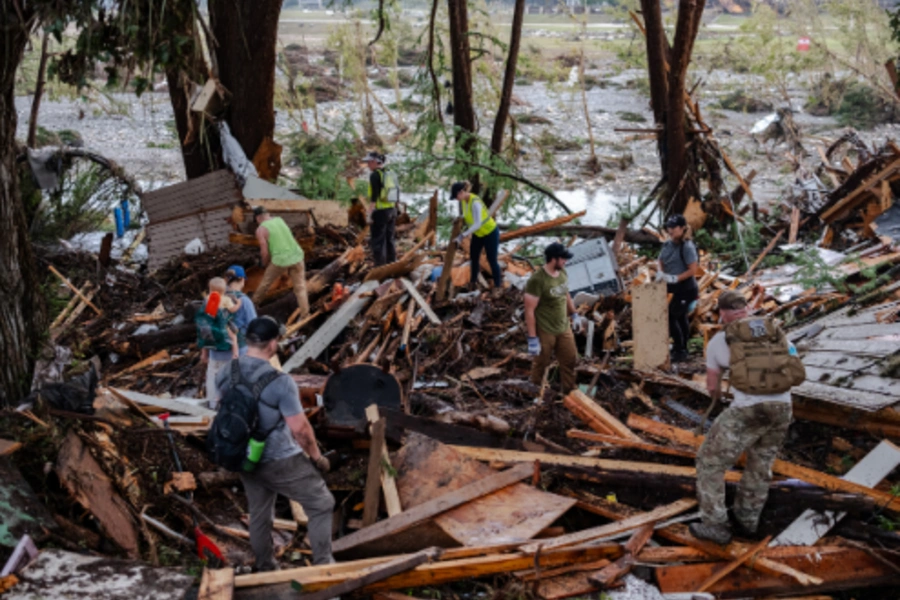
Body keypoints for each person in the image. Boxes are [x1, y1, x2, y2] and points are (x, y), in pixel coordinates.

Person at [217, 316, 335, 570]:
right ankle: (325, 566)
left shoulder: (227, 371)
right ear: (272, 344)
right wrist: (317, 457)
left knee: (260, 513)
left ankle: (266, 567)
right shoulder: (281, 382)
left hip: (244, 456)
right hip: (279, 458)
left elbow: (221, 407)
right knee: (322, 504)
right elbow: (301, 429)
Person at [690, 290, 803, 545]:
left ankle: (716, 524)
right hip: (783, 408)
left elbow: (712, 387)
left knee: (709, 462)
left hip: (748, 409)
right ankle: (747, 521)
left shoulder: (722, 339)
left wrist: (723, 393)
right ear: (748, 309)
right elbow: (794, 363)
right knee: (760, 464)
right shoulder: (775, 331)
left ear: (722, 314)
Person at [524, 242, 586, 393]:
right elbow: (529, 310)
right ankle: (534, 392)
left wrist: (574, 314)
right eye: (563, 258)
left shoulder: (562, 272)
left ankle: (569, 393)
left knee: (570, 360)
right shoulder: (537, 280)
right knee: (541, 362)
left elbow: (566, 295)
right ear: (553, 259)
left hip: (563, 326)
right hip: (545, 328)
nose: (565, 261)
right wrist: (532, 339)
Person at [251, 207, 309, 318]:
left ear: (258, 218)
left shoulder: (260, 230)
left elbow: (264, 251)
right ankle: (305, 315)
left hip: (281, 260)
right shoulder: (280, 220)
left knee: (265, 283)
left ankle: (252, 304)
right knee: (300, 288)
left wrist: (264, 263)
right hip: (297, 255)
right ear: (267, 214)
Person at [657, 214, 699, 363]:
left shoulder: (687, 247)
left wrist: (675, 278)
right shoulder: (668, 244)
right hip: (673, 287)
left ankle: (681, 350)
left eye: (674, 227)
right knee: (680, 317)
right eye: (669, 227)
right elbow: (661, 259)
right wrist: (661, 271)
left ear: (682, 228)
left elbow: (693, 270)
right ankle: (680, 346)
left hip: (686, 288)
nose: (670, 230)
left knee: (671, 316)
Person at [450, 181, 502, 289]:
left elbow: (478, 223)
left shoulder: (475, 203)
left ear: (461, 192)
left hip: (490, 232)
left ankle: (498, 286)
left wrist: (463, 235)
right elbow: (467, 216)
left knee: (491, 259)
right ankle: (473, 282)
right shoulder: (464, 201)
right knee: (474, 257)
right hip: (478, 234)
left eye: (456, 196)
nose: (456, 199)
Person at [198, 277, 241, 409]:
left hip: (214, 353)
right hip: (227, 351)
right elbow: (233, 310)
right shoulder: (226, 300)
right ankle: (236, 352)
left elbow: (204, 330)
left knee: (212, 379)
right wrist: (238, 303)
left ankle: (212, 405)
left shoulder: (207, 301)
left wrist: (204, 353)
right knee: (233, 336)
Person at [362, 151, 399, 266]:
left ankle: (380, 266)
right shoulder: (390, 173)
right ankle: (392, 263)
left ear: (374, 162)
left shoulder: (375, 175)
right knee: (389, 238)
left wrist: (369, 212)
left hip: (380, 211)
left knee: (378, 240)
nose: (367, 164)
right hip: (392, 210)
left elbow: (375, 196)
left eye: (369, 162)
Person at [225, 265, 257, 356]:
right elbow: (254, 326)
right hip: (239, 350)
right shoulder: (244, 301)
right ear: (242, 279)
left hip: (216, 353)